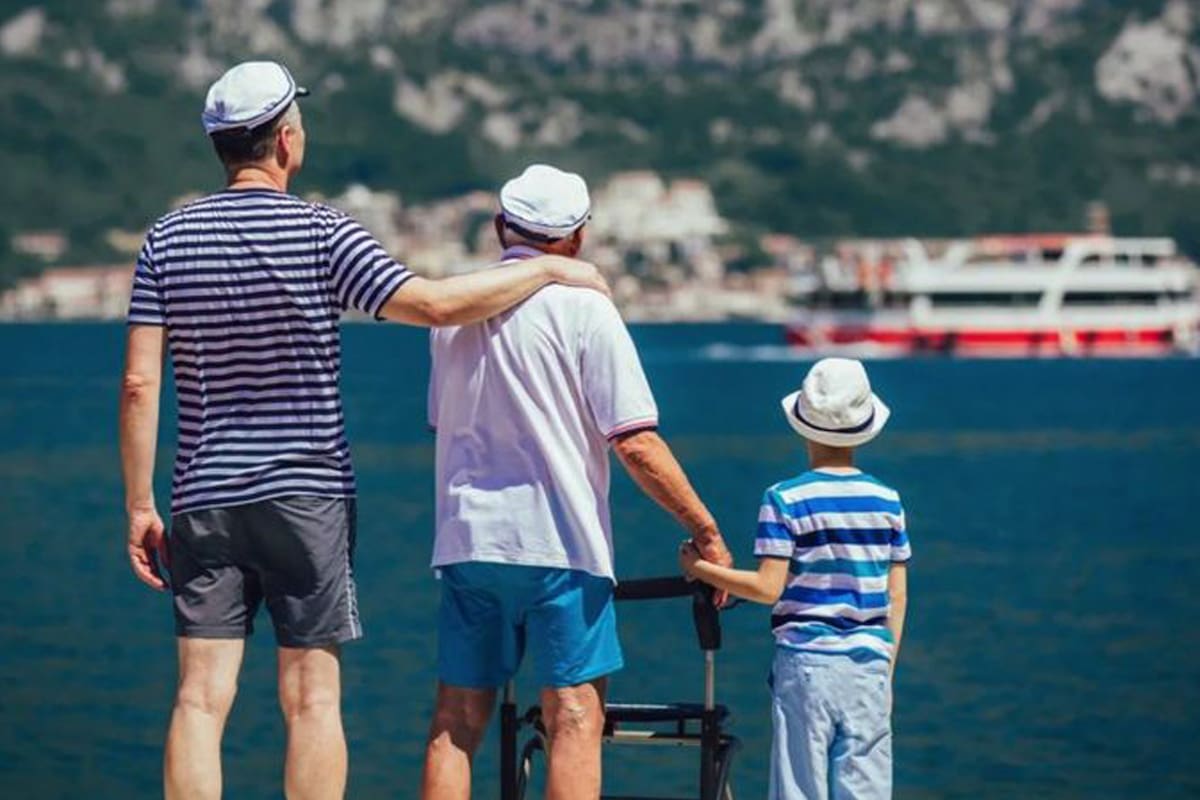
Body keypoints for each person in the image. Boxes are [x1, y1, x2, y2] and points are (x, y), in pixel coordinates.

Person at [118, 63, 608, 800]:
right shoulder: (323, 231)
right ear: (286, 140)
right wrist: (545, 273)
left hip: (203, 495)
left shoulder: (165, 240)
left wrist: (138, 504)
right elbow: (437, 305)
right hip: (307, 496)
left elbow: (138, 384)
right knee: (312, 697)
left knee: (198, 698)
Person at [421, 164, 733, 800]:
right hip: (559, 544)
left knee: (456, 722)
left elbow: (441, 423)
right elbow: (636, 442)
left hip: (467, 542)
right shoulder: (586, 309)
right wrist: (705, 530)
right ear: (579, 238)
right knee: (574, 717)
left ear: (500, 227)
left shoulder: (450, 316)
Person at [680, 358, 911, 800]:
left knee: (799, 788)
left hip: (806, 664)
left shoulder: (785, 499)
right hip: (870, 667)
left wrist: (700, 568)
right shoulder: (888, 500)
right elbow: (896, 595)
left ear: (803, 426)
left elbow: (769, 588)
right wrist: (887, 670)